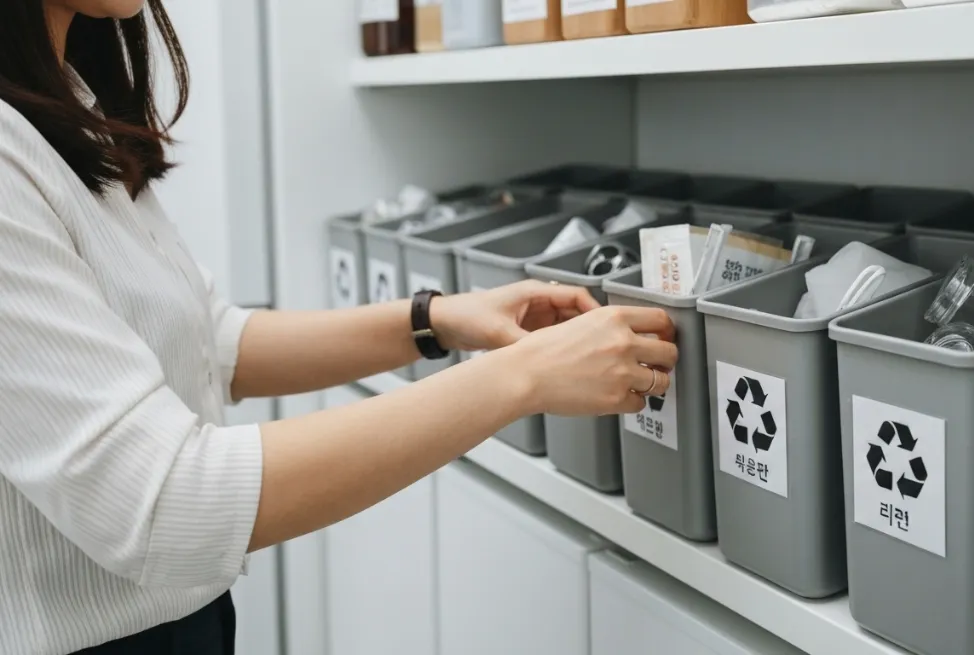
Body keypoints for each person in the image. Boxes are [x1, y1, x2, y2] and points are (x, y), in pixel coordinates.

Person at [0, 2, 678, 653]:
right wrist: (521, 378)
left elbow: (211, 344)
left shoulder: (64, 103)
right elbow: (163, 502)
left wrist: (435, 319)